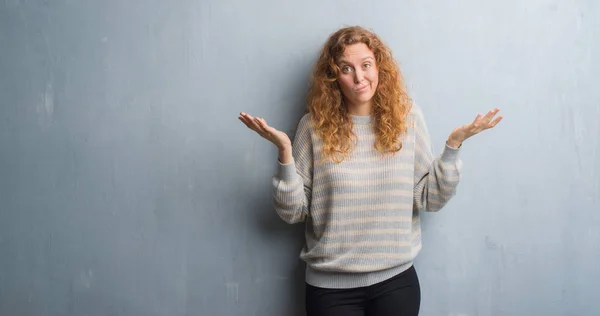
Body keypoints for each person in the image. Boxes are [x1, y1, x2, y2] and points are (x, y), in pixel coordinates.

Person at [238, 26, 502, 316]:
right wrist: (286, 156)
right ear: (333, 76)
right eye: (346, 69)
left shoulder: (408, 118)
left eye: (366, 65)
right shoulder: (312, 128)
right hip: (331, 289)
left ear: (379, 66)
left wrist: (453, 146)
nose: (359, 77)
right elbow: (292, 213)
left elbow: (430, 199)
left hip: (396, 283)